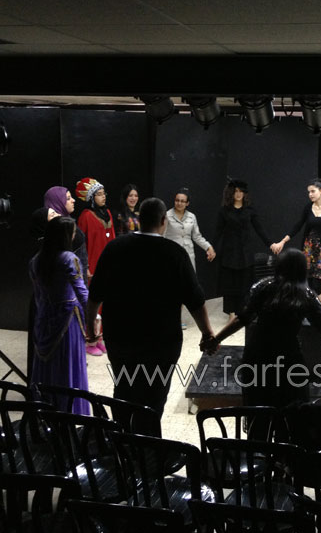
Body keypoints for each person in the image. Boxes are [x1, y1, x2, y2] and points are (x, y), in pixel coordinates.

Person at [85, 197, 215, 424]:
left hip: (121, 337)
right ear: (164, 221)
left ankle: (122, 438)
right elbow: (196, 301)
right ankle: (149, 441)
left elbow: (95, 294)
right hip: (161, 342)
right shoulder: (175, 253)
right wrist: (207, 333)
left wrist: (90, 327)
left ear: (139, 219)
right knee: (155, 397)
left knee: (124, 389)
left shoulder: (115, 248)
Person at [202, 248, 321, 408]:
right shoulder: (305, 295)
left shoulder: (263, 287)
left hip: (257, 356)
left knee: (257, 409)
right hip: (289, 359)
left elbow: (241, 320)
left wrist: (215, 340)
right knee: (292, 409)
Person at [29, 216, 90, 414]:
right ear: (65, 235)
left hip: (44, 319)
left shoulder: (36, 260)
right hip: (67, 321)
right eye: (72, 232)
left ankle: (45, 411)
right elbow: (82, 292)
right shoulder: (68, 258)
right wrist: (95, 316)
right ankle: (70, 412)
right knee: (67, 366)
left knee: (47, 367)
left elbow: (38, 296)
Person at [214, 178, 275, 317]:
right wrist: (211, 247)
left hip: (245, 253)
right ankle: (231, 313)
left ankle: (243, 311)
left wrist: (270, 244)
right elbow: (218, 231)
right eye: (235, 191)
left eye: (241, 191)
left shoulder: (250, 210)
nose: (238, 194)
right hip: (229, 253)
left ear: (244, 193)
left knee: (245, 283)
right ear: (231, 193)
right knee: (230, 284)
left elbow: (260, 229)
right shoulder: (224, 211)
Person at [76, 177, 116, 356]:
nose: (103, 196)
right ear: (92, 198)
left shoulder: (107, 213)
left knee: (105, 302)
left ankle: (100, 337)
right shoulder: (85, 216)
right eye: (99, 194)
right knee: (93, 303)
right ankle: (90, 340)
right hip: (92, 265)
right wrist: (84, 266)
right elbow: (80, 244)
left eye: (103, 193)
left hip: (106, 264)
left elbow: (112, 238)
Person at [164, 187, 216, 270]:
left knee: (188, 277)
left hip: (188, 254)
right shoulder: (166, 215)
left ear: (187, 203)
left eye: (182, 201)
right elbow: (162, 236)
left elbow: (197, 237)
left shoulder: (192, 217)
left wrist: (208, 247)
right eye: (177, 200)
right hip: (172, 253)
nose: (179, 203)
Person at [43, 185, 88, 276]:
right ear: (58, 202)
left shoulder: (69, 222)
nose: (73, 200)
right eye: (68, 198)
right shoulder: (55, 229)